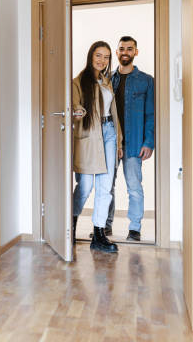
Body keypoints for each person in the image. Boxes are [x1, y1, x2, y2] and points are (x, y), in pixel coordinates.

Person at [72, 41, 123, 253]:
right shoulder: (78, 82)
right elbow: (73, 106)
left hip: (109, 132)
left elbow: (114, 112)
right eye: (98, 55)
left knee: (105, 187)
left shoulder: (106, 82)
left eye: (106, 57)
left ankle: (99, 234)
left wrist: (118, 141)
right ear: (91, 55)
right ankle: (70, 225)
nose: (102, 60)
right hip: (89, 135)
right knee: (85, 186)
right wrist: (77, 111)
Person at [104, 36, 155, 242]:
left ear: (136, 52)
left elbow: (151, 114)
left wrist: (148, 142)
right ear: (117, 53)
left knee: (134, 186)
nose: (125, 52)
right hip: (110, 142)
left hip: (134, 143)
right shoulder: (107, 79)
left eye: (130, 49)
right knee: (106, 185)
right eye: (122, 49)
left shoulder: (146, 80)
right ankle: (105, 225)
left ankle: (134, 228)